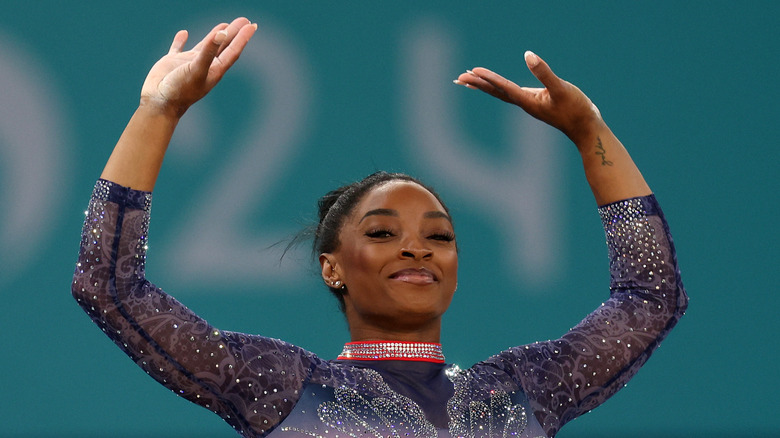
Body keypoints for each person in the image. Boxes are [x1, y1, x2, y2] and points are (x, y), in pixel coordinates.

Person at [72, 17, 687, 438]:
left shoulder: (524, 389)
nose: (417, 246)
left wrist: (591, 136)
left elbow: (651, 296)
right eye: (382, 232)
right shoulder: (281, 385)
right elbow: (111, 288)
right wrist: (157, 111)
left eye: (440, 235)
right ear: (331, 266)